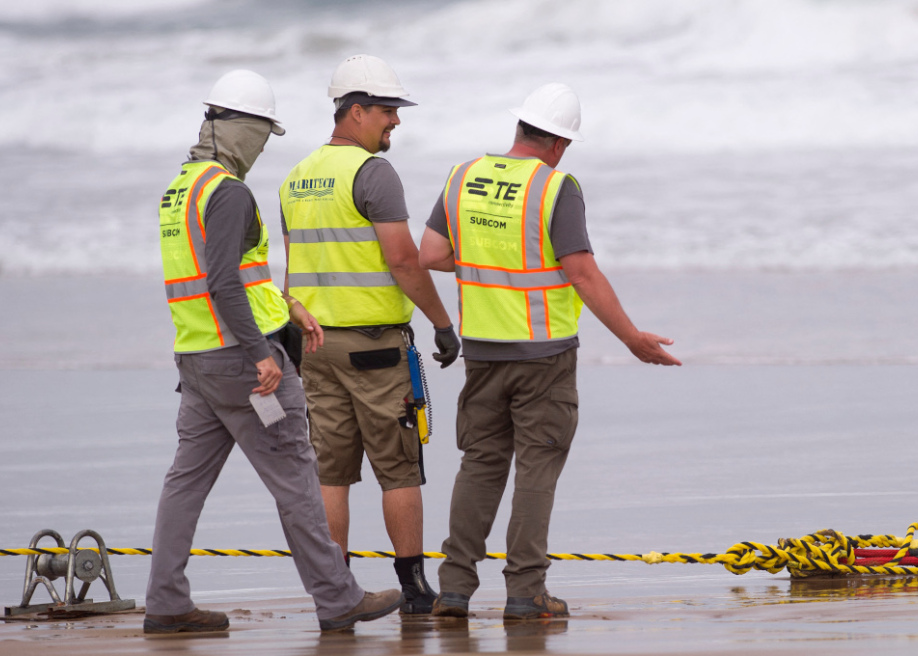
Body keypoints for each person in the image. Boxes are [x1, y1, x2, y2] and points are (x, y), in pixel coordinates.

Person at [148, 69, 402, 634]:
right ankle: (339, 599)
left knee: (184, 484)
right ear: (238, 129)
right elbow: (222, 282)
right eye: (262, 136)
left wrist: (288, 308)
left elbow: (230, 277)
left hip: (196, 360)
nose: (262, 149)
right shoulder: (229, 192)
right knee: (296, 480)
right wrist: (263, 352)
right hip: (247, 365)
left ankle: (165, 601)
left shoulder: (179, 189)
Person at [418, 83, 682, 620]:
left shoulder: (463, 177)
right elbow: (581, 271)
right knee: (537, 467)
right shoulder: (556, 187)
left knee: (480, 465)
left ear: (519, 128)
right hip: (543, 355)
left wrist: (486, 261)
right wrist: (631, 337)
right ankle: (525, 591)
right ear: (560, 142)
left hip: (482, 351)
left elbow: (431, 253)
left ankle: (453, 589)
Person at [279, 54, 460, 615]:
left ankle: (336, 591)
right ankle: (413, 589)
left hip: (312, 346)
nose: (395, 122)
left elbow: (293, 272)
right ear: (354, 112)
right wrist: (442, 323)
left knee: (331, 470)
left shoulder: (296, 177)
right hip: (375, 348)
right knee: (399, 465)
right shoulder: (371, 172)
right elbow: (404, 260)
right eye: (387, 110)